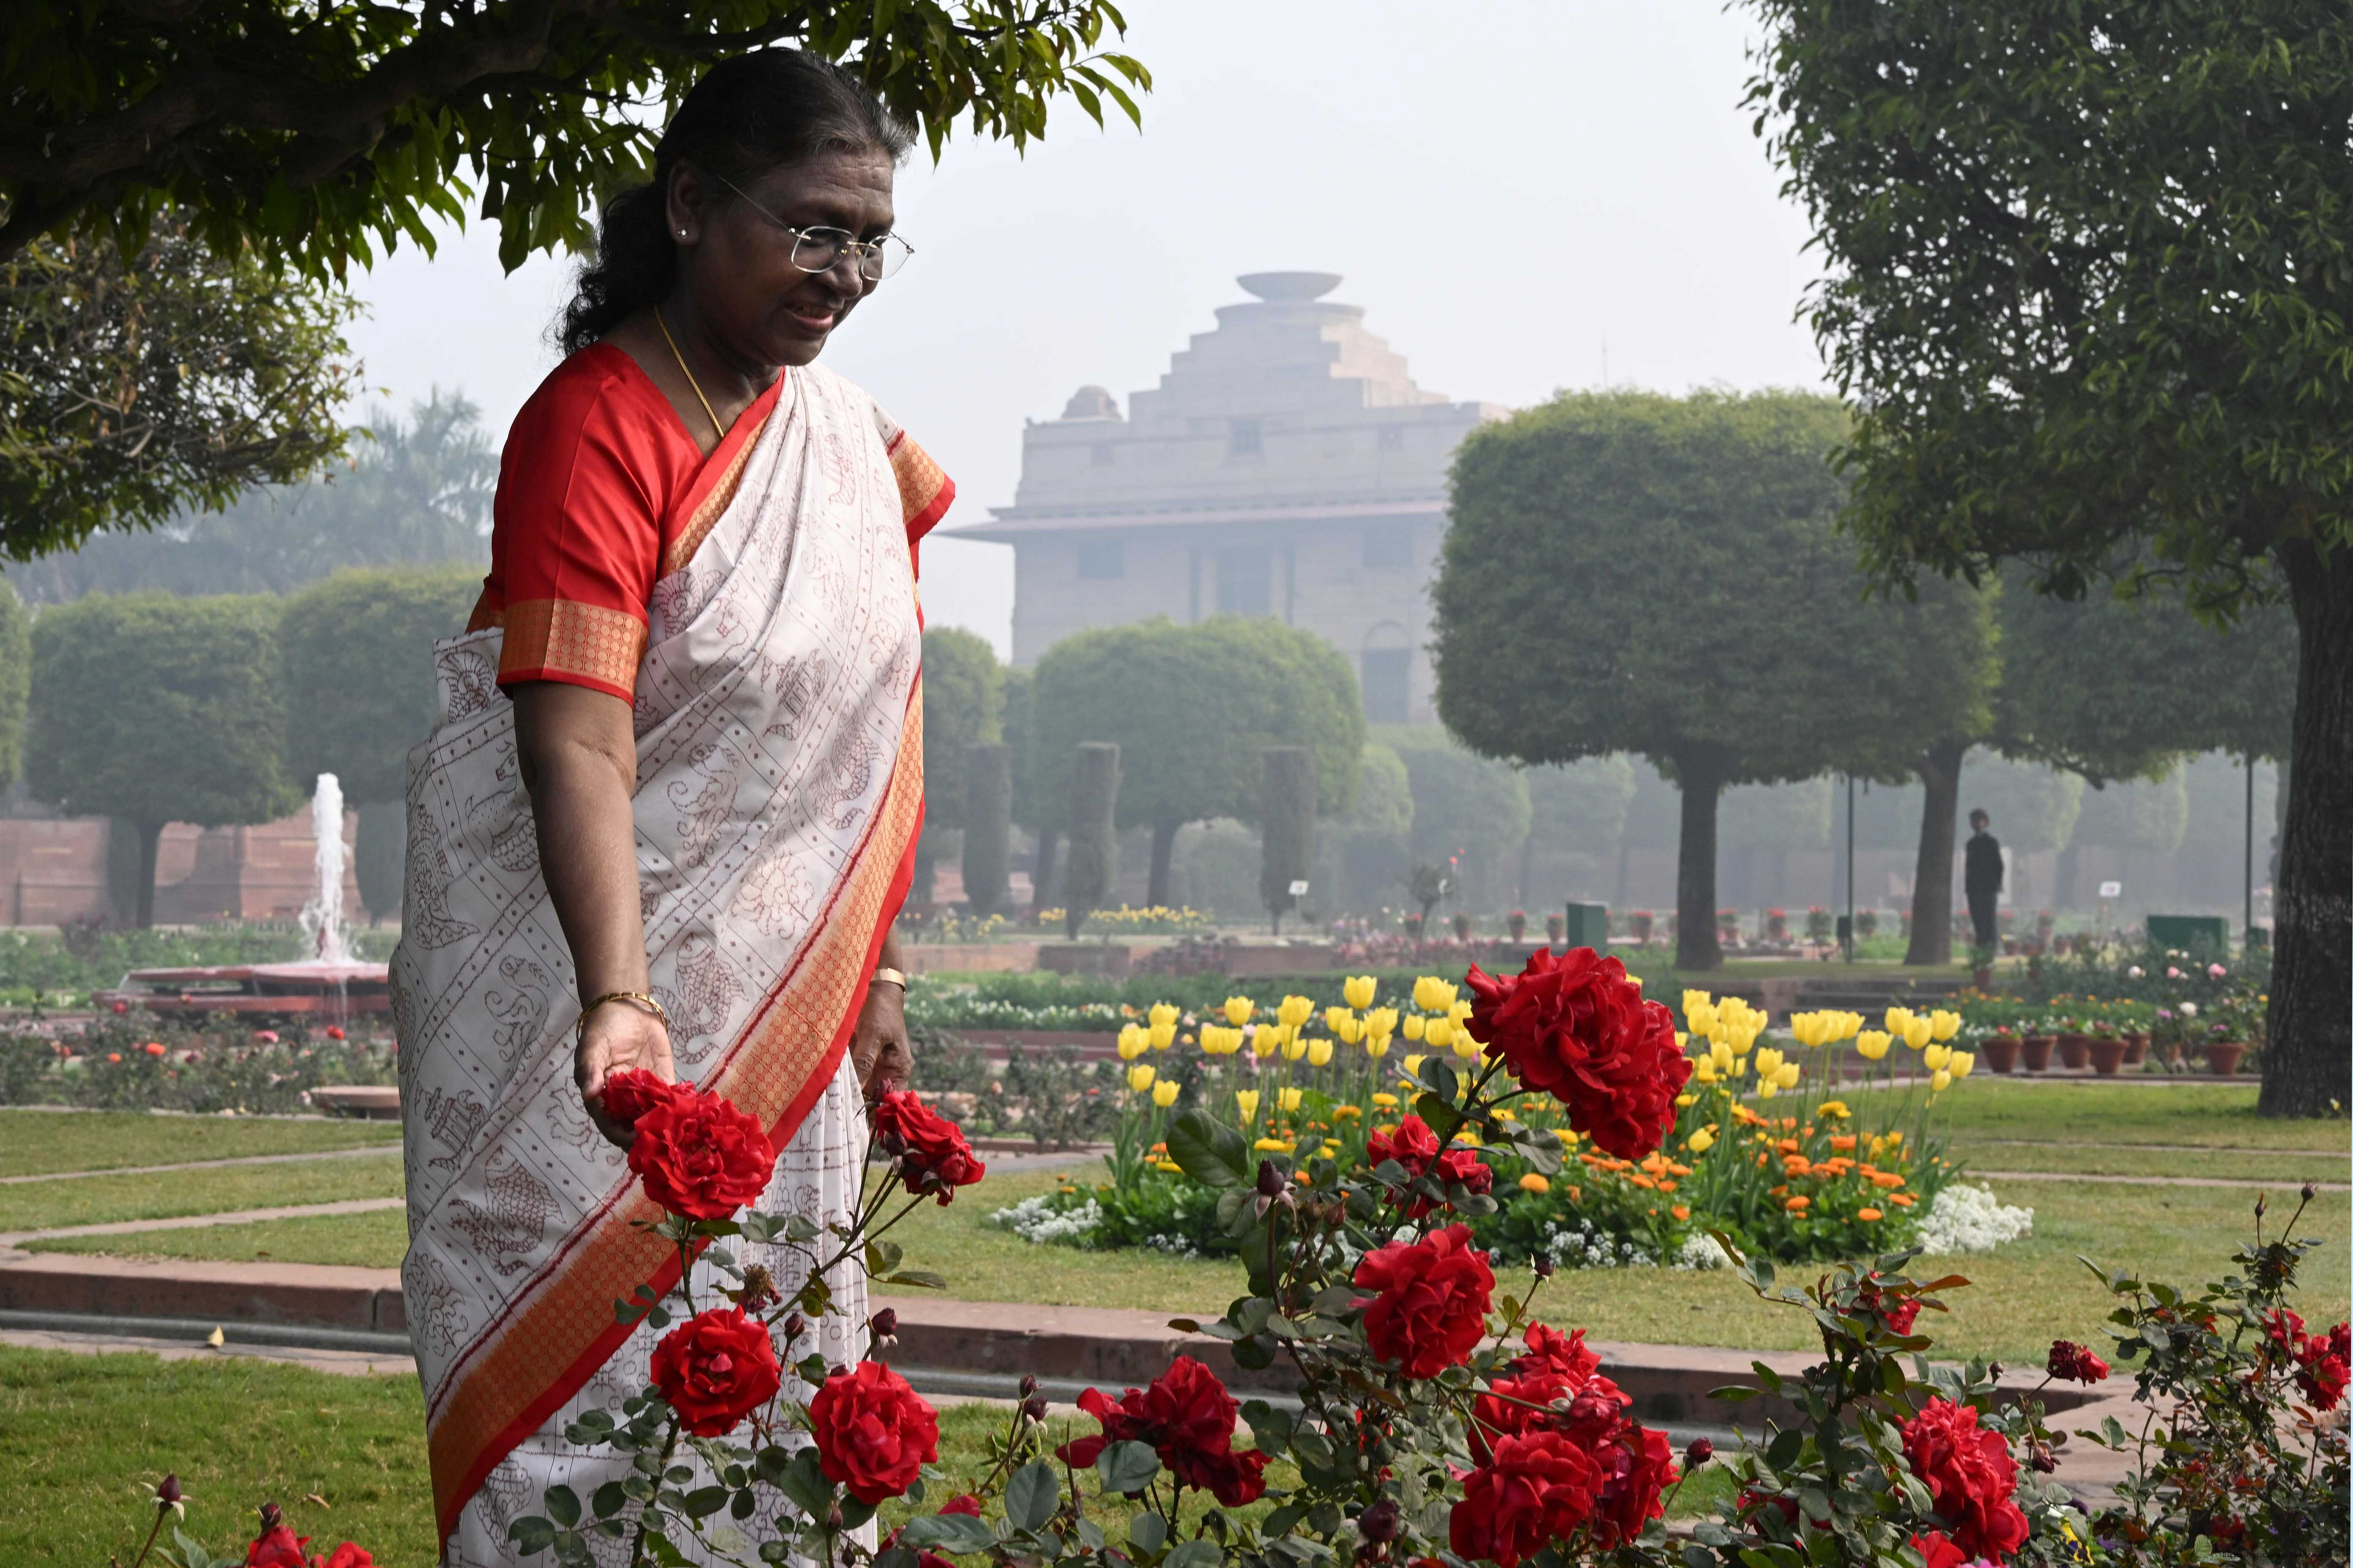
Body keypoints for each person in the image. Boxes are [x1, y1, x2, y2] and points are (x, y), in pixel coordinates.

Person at [390, 51, 950, 1566]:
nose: (844, 275)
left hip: (787, 1025)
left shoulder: (847, 443)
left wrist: (878, 973)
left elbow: (863, 730)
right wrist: (621, 1002)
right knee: (587, 1407)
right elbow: (577, 739)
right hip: (585, 1033)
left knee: (773, 1401)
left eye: (870, 240)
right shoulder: (596, 424)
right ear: (693, 205)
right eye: (812, 229)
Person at [1963, 808, 2003, 955]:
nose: (1975, 824)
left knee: (1989, 919)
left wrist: (1996, 885)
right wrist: (1968, 887)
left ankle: (1991, 949)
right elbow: (1969, 867)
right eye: (1973, 821)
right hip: (1974, 889)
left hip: (1988, 888)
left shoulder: (1991, 842)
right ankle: (1981, 948)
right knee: (1977, 920)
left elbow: (1998, 865)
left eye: (1978, 821)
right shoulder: (1971, 844)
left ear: (1986, 823)